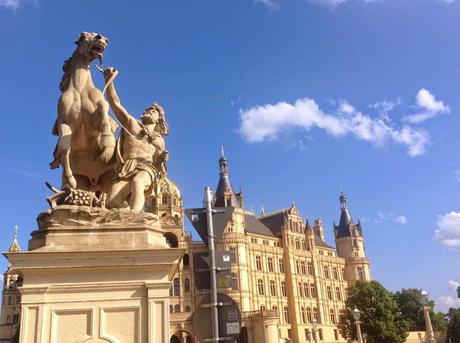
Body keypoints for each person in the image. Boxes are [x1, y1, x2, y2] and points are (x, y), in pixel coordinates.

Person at [102, 67, 169, 212]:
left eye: (153, 111)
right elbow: (115, 104)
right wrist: (109, 80)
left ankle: (134, 215)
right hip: (126, 168)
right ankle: (126, 214)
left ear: (158, 120)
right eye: (148, 109)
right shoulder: (131, 124)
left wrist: (161, 158)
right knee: (111, 201)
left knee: (137, 182)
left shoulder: (158, 139)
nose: (148, 111)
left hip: (145, 169)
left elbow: (158, 165)